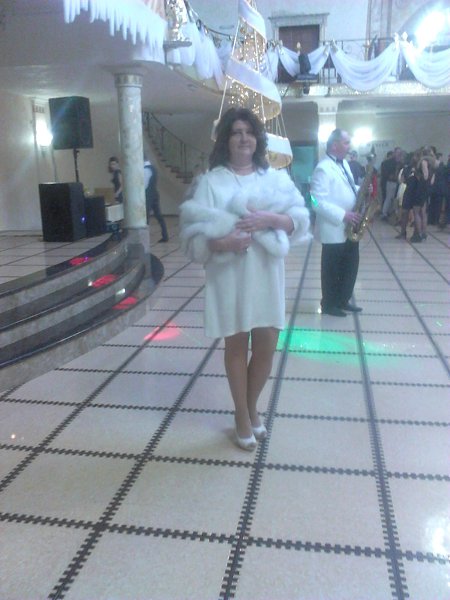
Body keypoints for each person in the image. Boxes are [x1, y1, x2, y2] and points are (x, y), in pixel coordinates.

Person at [179, 107, 310, 451]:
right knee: (236, 345)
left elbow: (299, 219)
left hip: (266, 274)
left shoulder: (275, 179)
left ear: (258, 139)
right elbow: (192, 239)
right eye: (236, 132)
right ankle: (242, 414)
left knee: (267, 345)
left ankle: (251, 406)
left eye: (249, 132)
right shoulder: (211, 182)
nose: (243, 138)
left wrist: (271, 220)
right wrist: (223, 243)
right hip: (229, 276)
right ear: (226, 139)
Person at [310, 128, 365, 317]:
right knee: (332, 269)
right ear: (335, 145)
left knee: (350, 266)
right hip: (334, 228)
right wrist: (343, 215)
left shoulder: (345, 164)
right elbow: (316, 201)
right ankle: (329, 304)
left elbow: (345, 187)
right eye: (346, 142)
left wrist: (361, 188)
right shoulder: (323, 168)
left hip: (350, 226)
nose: (349, 146)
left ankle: (343, 300)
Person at [144, 156, 168, 242]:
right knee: (159, 216)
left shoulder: (145, 169)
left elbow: (144, 185)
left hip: (148, 195)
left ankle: (144, 238)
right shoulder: (153, 168)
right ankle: (165, 236)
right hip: (155, 193)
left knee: (145, 217)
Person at [380, 147, 403, 220]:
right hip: (390, 182)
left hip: (398, 182)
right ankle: (384, 213)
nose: (399, 154)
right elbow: (386, 173)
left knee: (394, 198)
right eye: (397, 152)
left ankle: (390, 213)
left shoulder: (401, 163)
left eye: (400, 153)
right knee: (389, 198)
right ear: (394, 153)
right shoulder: (388, 162)